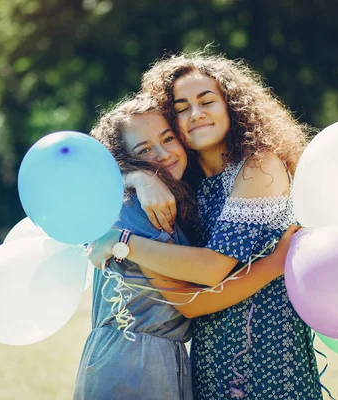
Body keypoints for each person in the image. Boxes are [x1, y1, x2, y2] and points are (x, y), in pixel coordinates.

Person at [89, 52, 324, 399]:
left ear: (232, 105)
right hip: (209, 354)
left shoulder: (259, 166)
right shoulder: (187, 186)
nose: (195, 114)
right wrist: (139, 176)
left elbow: (212, 269)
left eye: (206, 101)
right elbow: (187, 300)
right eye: (182, 108)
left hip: (269, 347)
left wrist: (119, 241)